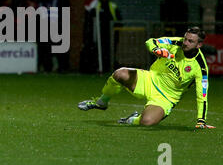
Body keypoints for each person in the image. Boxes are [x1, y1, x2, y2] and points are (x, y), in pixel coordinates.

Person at [78, 26, 215, 129]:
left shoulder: (200, 67)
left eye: (190, 41)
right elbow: (151, 42)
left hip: (166, 97)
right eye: (185, 38)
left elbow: (202, 95)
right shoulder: (176, 43)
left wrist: (201, 120)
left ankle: (133, 119)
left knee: (147, 122)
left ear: (199, 45)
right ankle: (102, 102)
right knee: (120, 73)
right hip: (150, 79)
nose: (185, 42)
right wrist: (156, 50)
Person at [81, 0, 122, 73]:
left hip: (111, 34)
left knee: (110, 51)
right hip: (99, 35)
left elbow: (119, 20)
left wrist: (116, 31)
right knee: (99, 51)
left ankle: (109, 68)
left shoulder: (112, 6)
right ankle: (100, 68)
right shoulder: (96, 7)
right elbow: (90, 18)